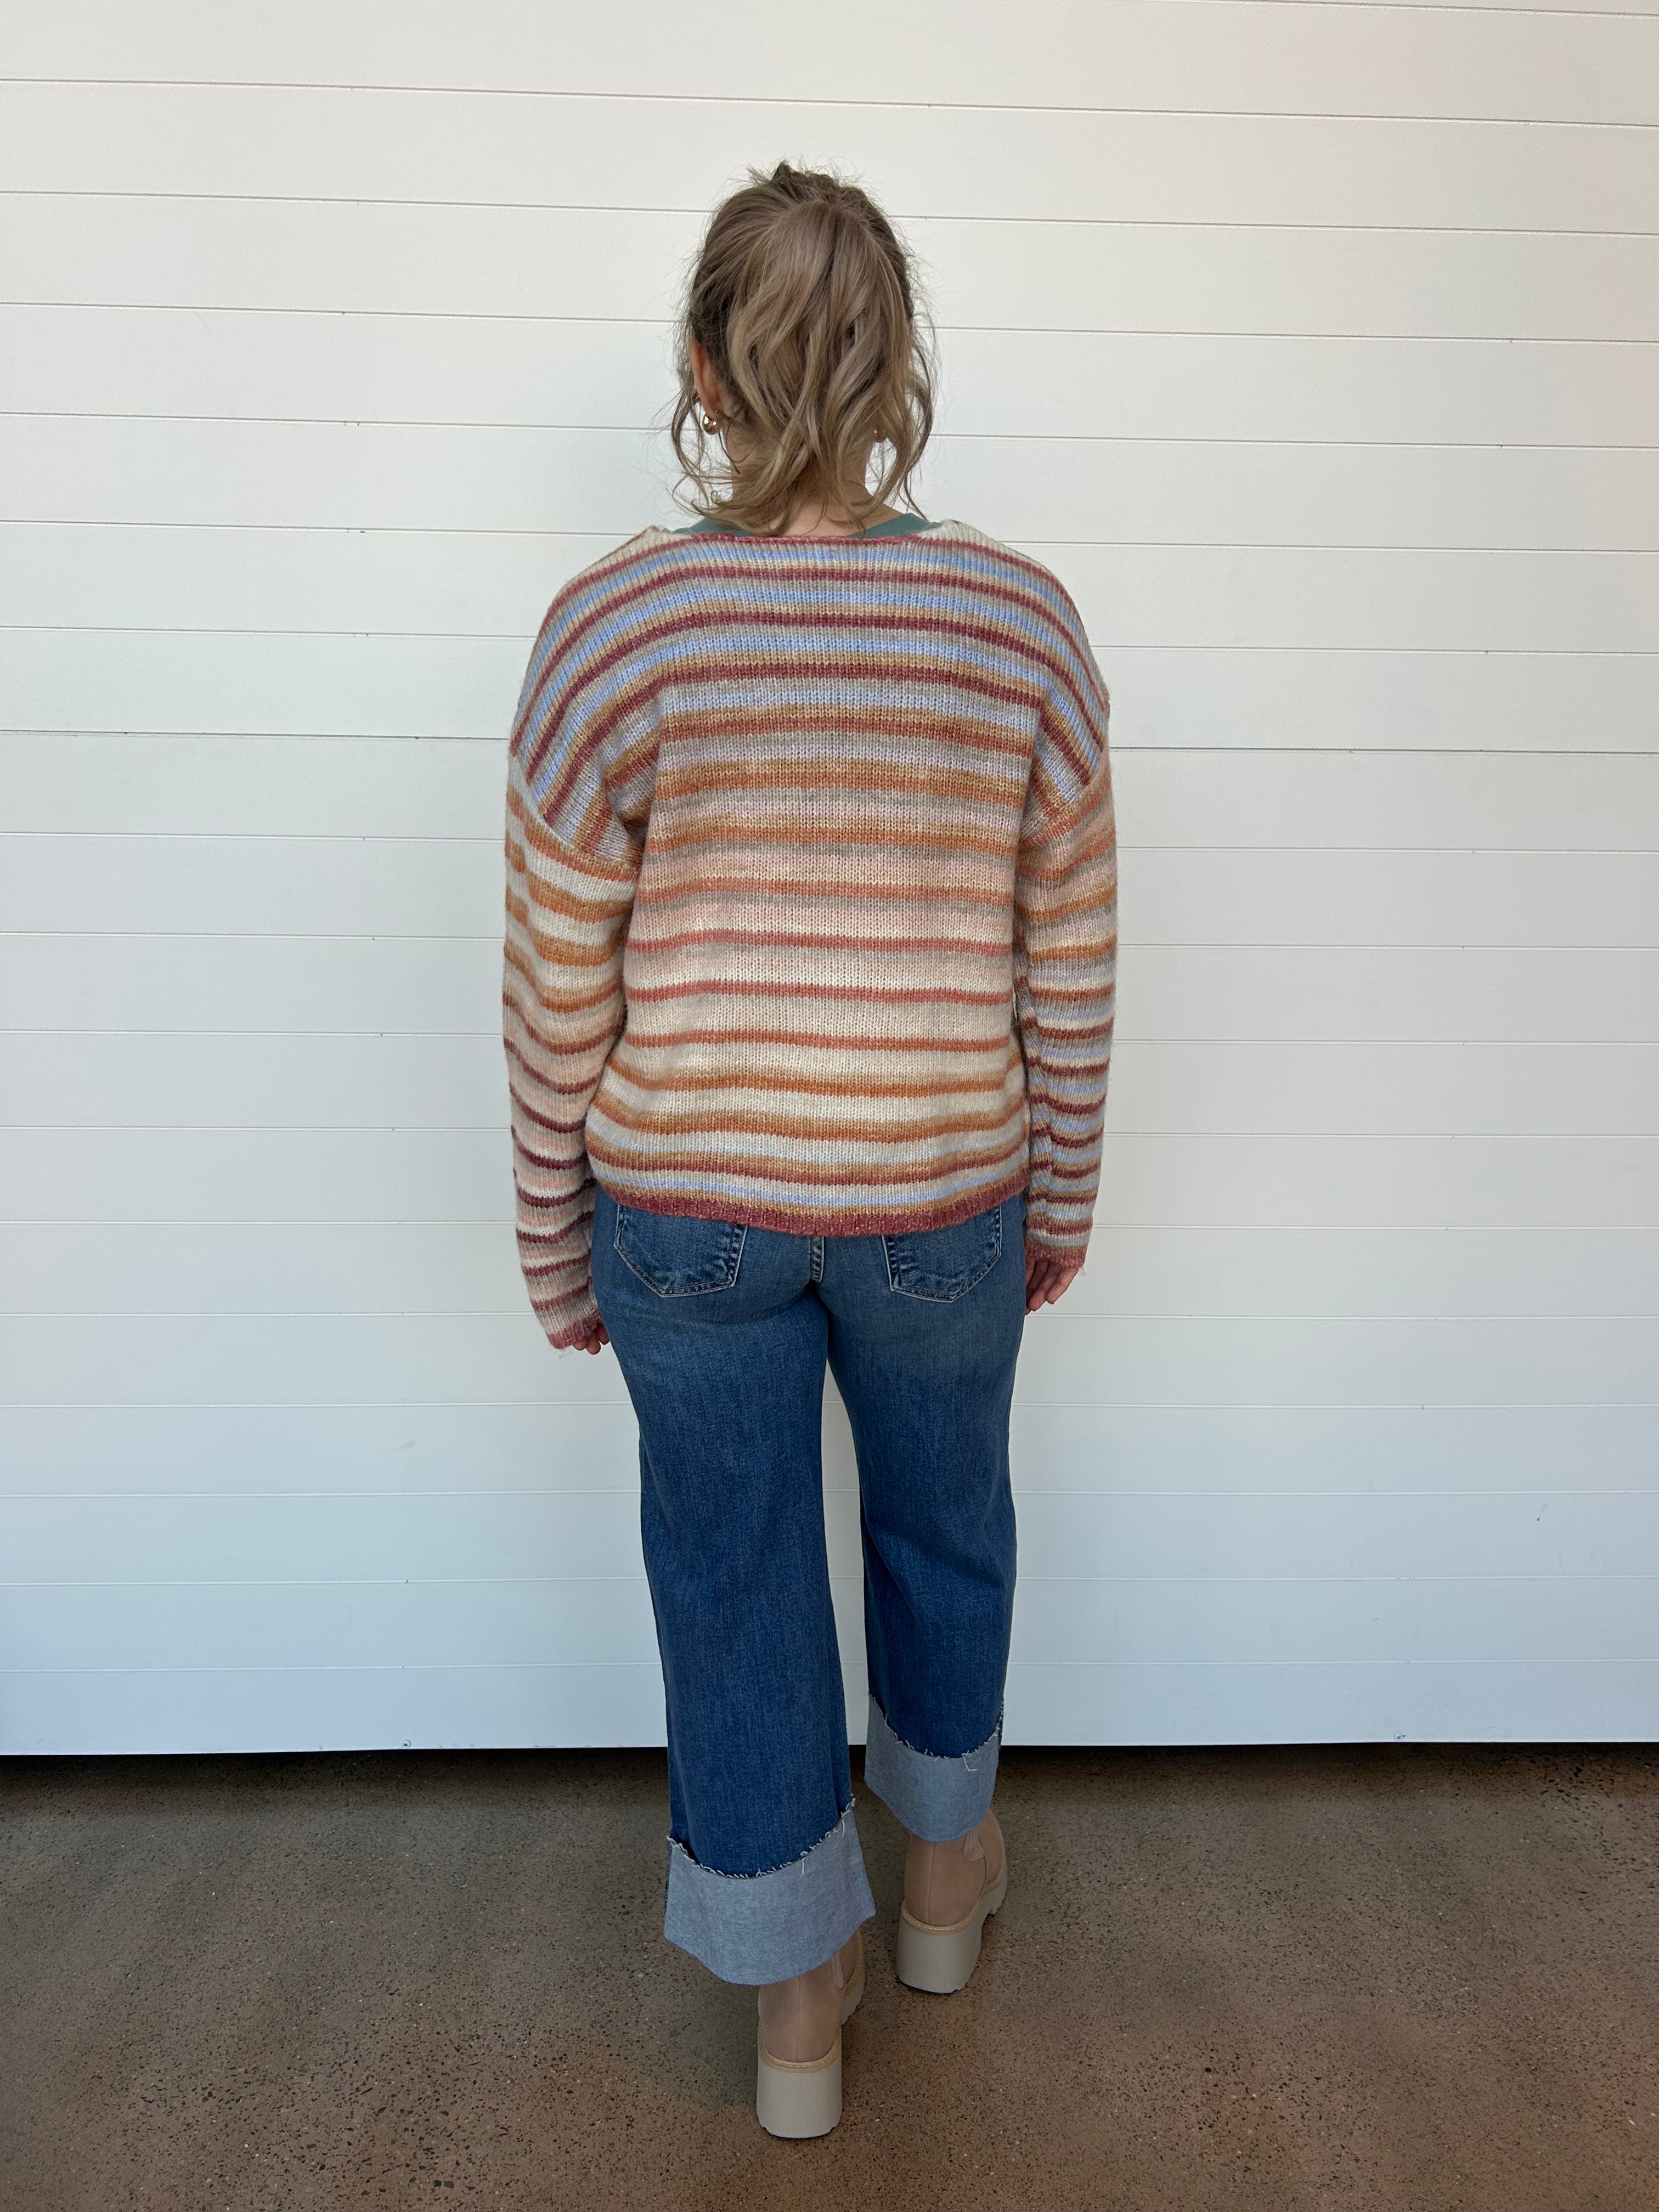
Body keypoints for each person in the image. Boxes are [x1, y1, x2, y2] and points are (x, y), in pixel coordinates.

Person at [502, 161, 1116, 2139]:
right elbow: (1072, 963)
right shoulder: (1020, 624)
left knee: (734, 1574)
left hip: (685, 1215)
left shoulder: (609, 630)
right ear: (898, 367)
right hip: (945, 1194)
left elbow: (554, 988)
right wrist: (1062, 1192)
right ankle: (940, 1888)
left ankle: (795, 2011)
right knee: (947, 1524)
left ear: (702, 368)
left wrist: (554, 1240)